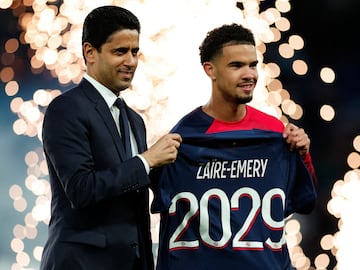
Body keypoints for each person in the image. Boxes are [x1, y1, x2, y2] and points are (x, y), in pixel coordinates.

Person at [150, 23, 317, 270]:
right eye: (236, 66)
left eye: (252, 65)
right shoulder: (182, 139)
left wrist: (303, 155)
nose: (249, 74)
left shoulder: (274, 132)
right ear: (210, 70)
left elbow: (304, 201)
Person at [40, 5, 181, 270]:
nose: (131, 61)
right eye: (120, 51)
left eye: (135, 52)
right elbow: (81, 190)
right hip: (81, 264)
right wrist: (146, 161)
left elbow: (134, 186)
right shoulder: (66, 109)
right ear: (90, 52)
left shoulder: (134, 120)